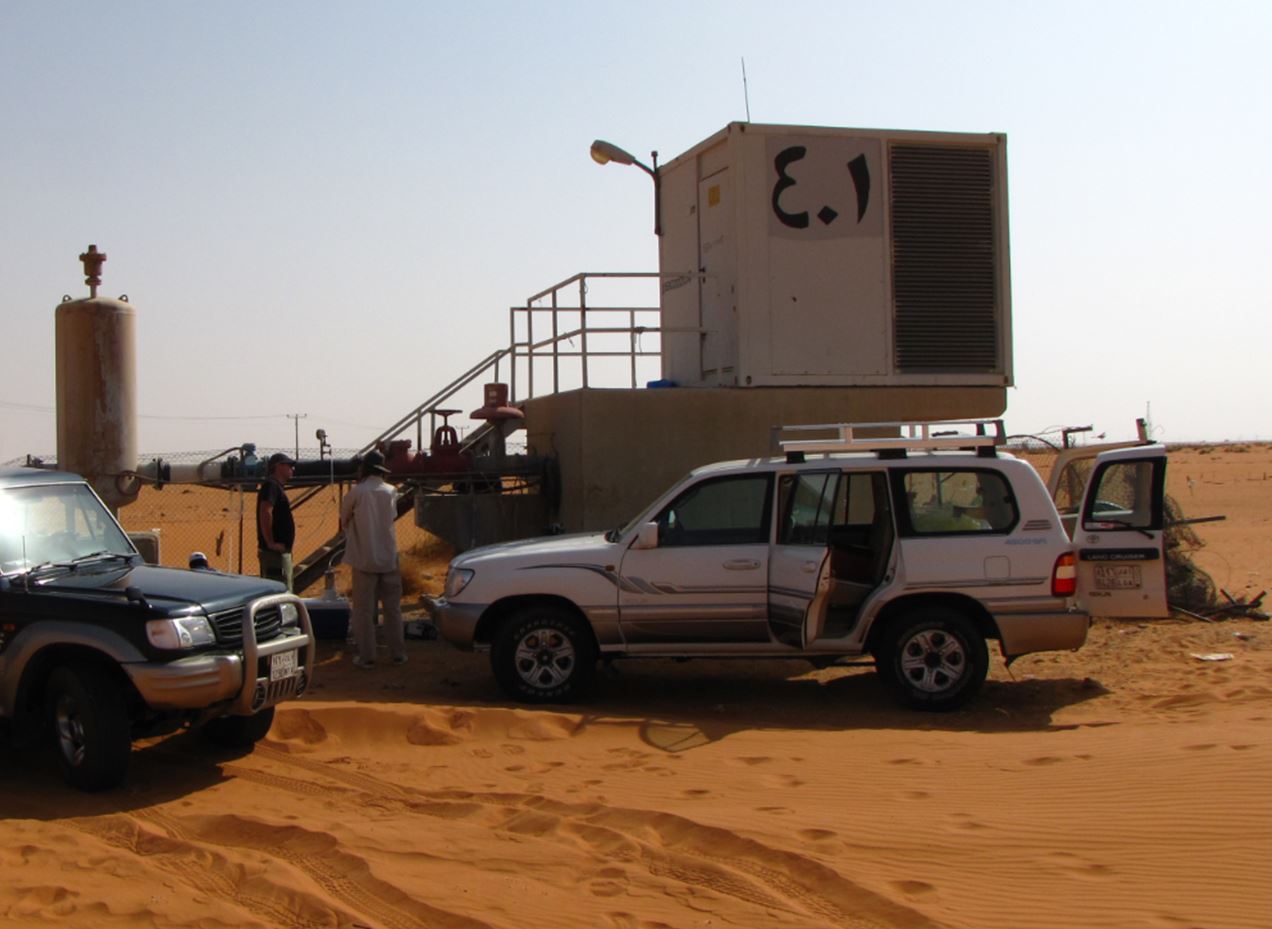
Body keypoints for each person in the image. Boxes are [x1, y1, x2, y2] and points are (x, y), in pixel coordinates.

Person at [340, 450, 406, 668]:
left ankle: (368, 656)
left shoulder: (356, 492)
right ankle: (398, 653)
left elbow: (345, 518)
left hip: (364, 558)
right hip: (388, 557)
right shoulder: (391, 491)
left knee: (364, 610)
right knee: (393, 609)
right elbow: (392, 516)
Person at [257, 452, 297, 590]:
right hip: (274, 556)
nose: (293, 469)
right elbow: (265, 511)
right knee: (279, 593)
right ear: (279, 466)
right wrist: (270, 543)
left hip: (280, 554)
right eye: (290, 466)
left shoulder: (276, 487)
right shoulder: (271, 486)